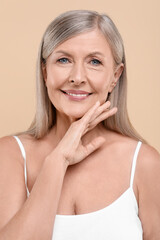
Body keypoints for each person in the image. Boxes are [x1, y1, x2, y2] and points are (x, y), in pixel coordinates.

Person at [0, 9, 159, 240]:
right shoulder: (10, 155)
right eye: (63, 60)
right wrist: (58, 159)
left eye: (94, 62)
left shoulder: (145, 163)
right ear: (45, 71)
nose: (77, 77)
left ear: (115, 76)